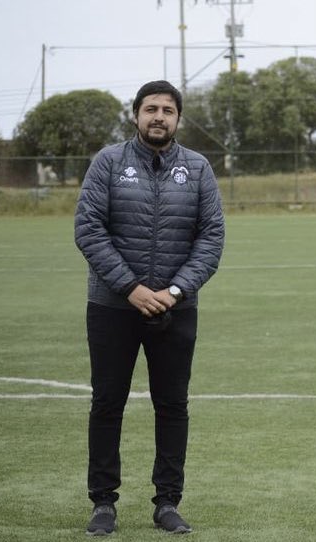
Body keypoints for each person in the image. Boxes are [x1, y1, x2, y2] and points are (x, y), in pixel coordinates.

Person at [75, 80, 225, 535]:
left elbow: (211, 236)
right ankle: (103, 503)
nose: (158, 117)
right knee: (107, 403)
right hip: (113, 308)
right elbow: (88, 229)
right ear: (136, 115)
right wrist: (131, 288)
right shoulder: (108, 162)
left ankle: (167, 502)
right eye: (150, 109)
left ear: (178, 118)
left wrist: (175, 291)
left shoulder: (198, 168)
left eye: (167, 110)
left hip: (176, 308)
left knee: (172, 405)